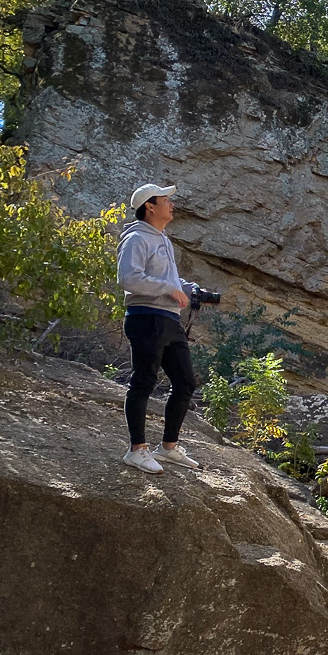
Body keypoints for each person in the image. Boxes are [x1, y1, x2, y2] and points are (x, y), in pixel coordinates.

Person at [117, 183, 205, 475]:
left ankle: (167, 448)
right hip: (145, 317)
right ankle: (136, 451)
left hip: (168, 319)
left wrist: (188, 289)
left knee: (185, 382)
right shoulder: (137, 239)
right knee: (143, 381)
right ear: (150, 207)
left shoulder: (162, 239)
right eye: (165, 200)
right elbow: (130, 279)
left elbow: (165, 283)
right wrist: (169, 287)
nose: (172, 204)